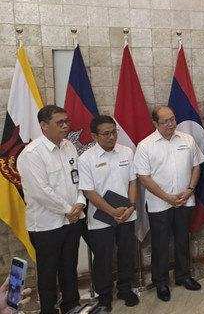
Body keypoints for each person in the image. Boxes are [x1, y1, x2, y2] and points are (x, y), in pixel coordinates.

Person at [17, 105, 85, 314]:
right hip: (46, 224)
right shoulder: (32, 153)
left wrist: (80, 202)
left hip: (72, 220)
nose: (65, 126)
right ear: (44, 125)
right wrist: (67, 209)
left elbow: (78, 179)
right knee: (48, 271)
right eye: (60, 123)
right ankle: (48, 309)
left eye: (67, 122)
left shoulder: (69, 147)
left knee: (69, 267)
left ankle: (71, 304)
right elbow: (40, 191)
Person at [134, 105, 204, 302]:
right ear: (155, 123)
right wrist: (167, 197)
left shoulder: (187, 139)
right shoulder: (145, 145)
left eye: (172, 119)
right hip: (159, 204)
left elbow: (196, 165)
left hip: (185, 199)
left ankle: (183, 276)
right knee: (160, 244)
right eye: (165, 121)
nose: (170, 124)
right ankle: (161, 282)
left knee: (183, 240)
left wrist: (190, 189)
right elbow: (143, 177)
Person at [78, 115, 139, 310]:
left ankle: (125, 288)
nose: (112, 137)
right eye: (106, 134)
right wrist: (112, 211)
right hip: (101, 218)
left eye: (114, 132)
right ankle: (104, 294)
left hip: (127, 213)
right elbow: (88, 191)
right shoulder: (86, 158)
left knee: (126, 253)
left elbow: (132, 181)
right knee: (103, 257)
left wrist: (131, 206)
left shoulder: (127, 152)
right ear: (94, 136)